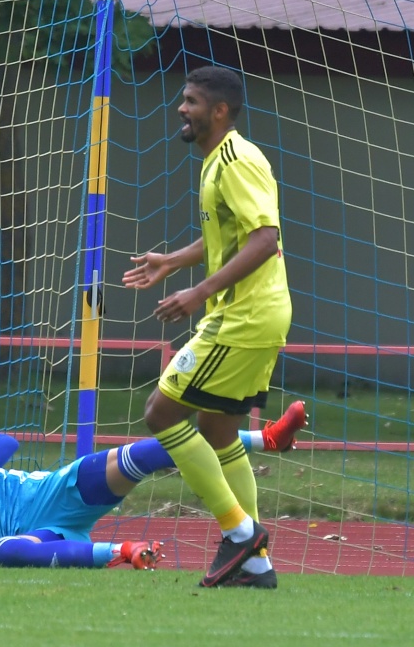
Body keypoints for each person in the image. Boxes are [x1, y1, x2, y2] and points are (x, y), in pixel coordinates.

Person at [123, 65, 292, 589]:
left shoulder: (237, 160)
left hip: (243, 317)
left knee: (161, 412)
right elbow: (229, 237)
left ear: (219, 111)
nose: (181, 108)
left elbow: (264, 239)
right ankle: (256, 566)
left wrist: (197, 293)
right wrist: (172, 261)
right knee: (219, 429)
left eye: (192, 101)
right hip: (252, 314)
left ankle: (240, 533)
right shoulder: (216, 160)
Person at [0, 402, 306, 570]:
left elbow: (3, 443)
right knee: (9, 552)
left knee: (140, 455)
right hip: (35, 539)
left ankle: (264, 439)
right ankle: (125, 552)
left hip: (49, 493)